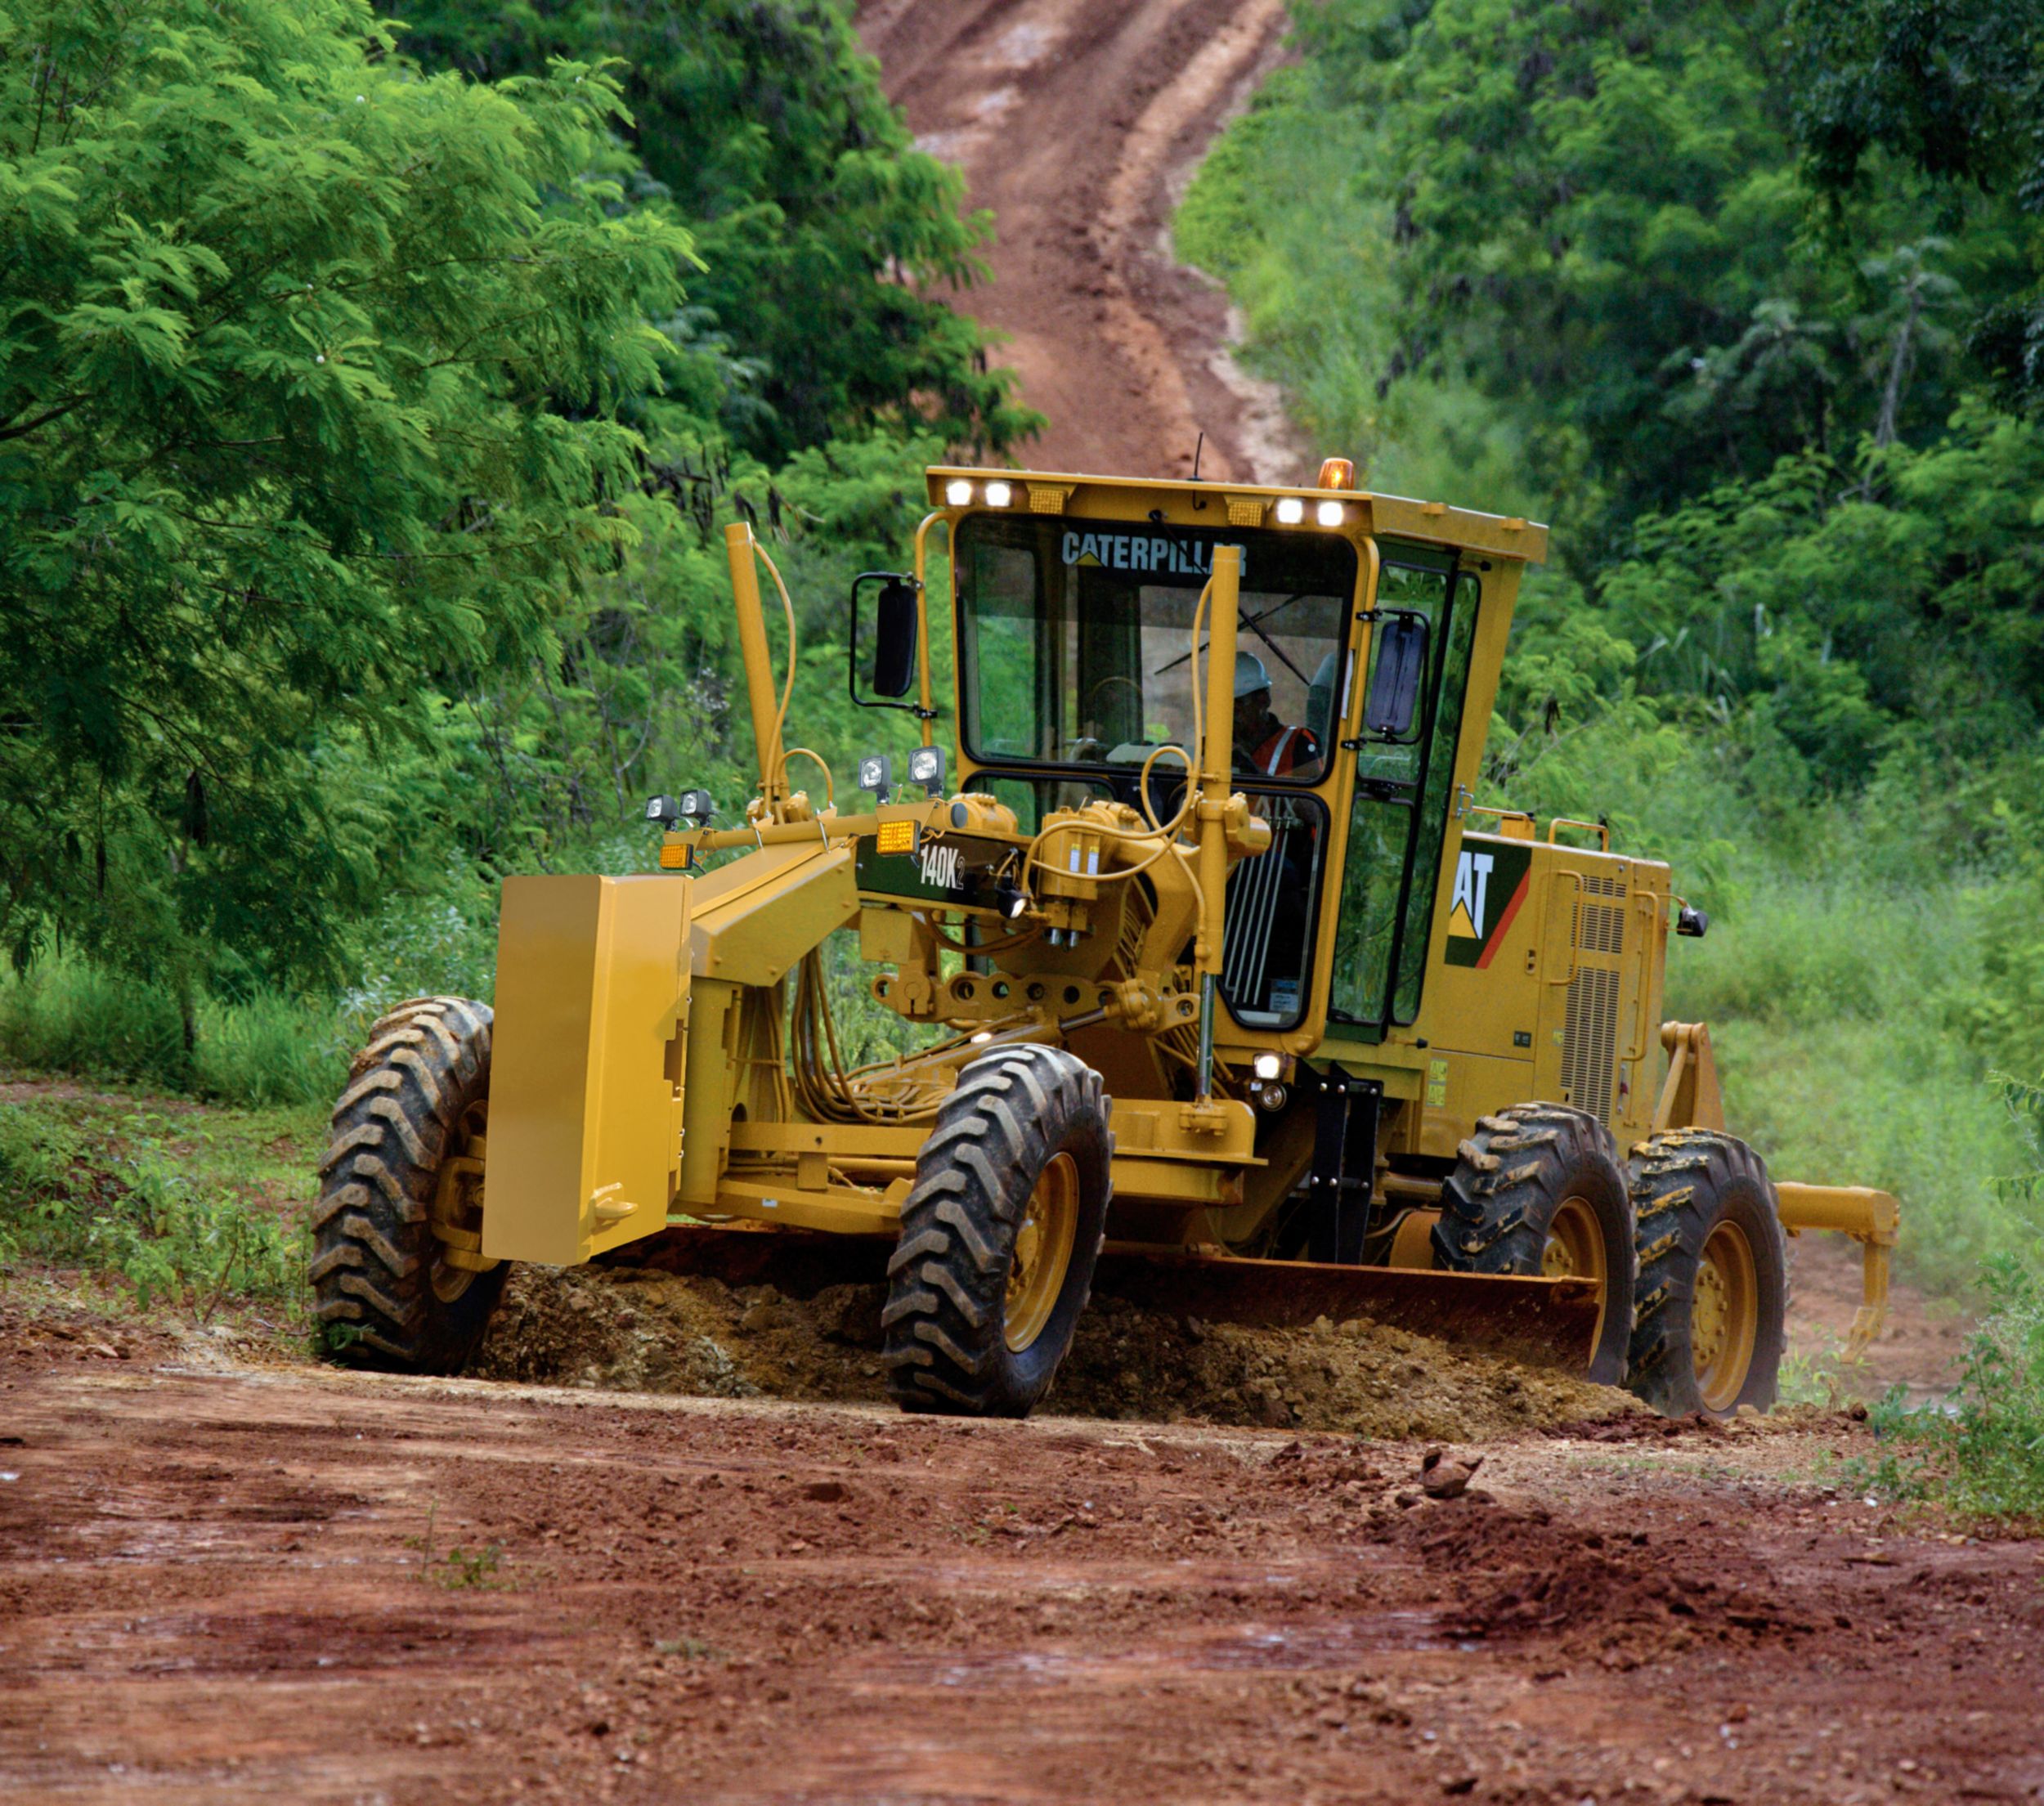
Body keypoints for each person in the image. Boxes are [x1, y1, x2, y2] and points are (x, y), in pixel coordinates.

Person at [1231, 651, 1321, 779]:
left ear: (1264, 699)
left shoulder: (1299, 743)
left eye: (1239, 702)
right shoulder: (1213, 746)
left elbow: (1311, 797)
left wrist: (1249, 769)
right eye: (1226, 705)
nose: (1233, 712)